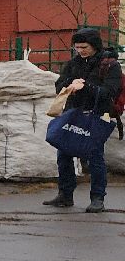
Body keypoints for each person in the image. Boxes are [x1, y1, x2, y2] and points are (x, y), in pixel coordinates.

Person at [43, 27, 121, 214]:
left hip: (96, 115)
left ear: (94, 45)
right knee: (64, 153)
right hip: (73, 113)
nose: (80, 50)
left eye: (84, 46)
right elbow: (59, 84)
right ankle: (65, 194)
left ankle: (97, 198)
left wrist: (85, 87)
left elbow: (110, 92)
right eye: (77, 47)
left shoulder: (109, 65)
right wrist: (69, 86)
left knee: (94, 157)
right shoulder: (73, 64)